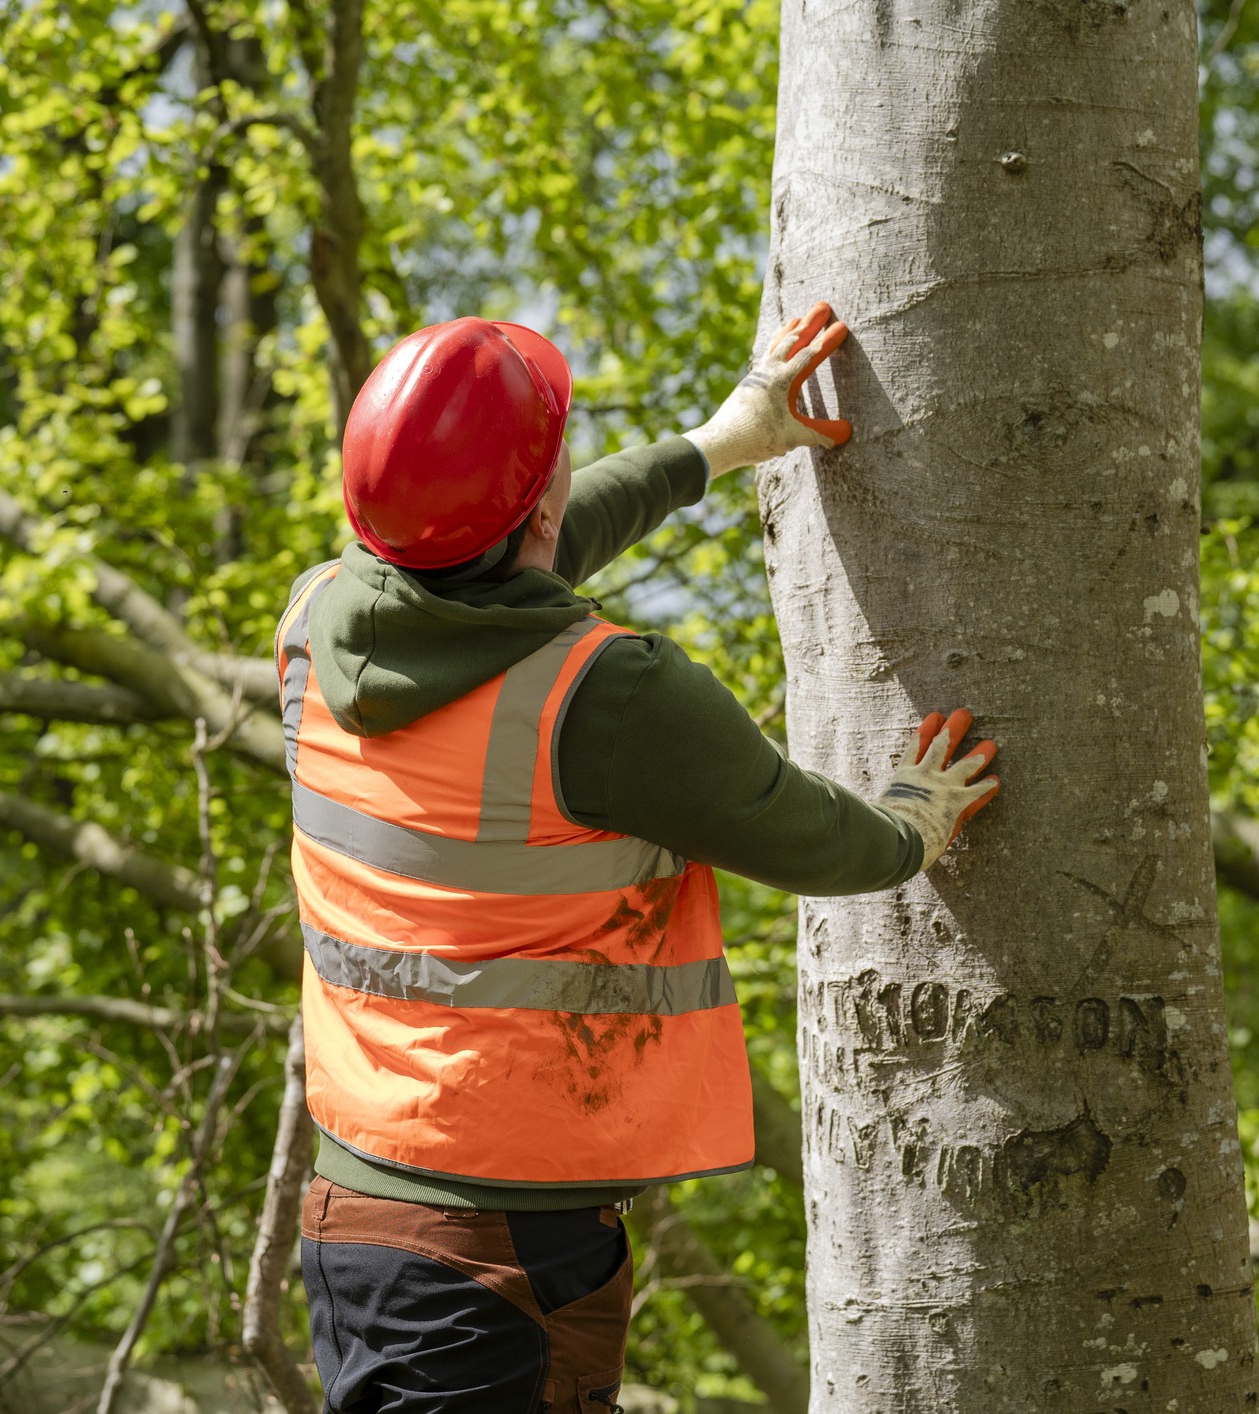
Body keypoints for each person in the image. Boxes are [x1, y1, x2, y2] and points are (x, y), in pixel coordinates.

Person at [274, 304, 1001, 1412]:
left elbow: (508, 563)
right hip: (496, 1256)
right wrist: (909, 818)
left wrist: (717, 442)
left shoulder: (320, 624)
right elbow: (817, 834)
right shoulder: (601, 696)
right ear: (539, 503)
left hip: (358, 1216)